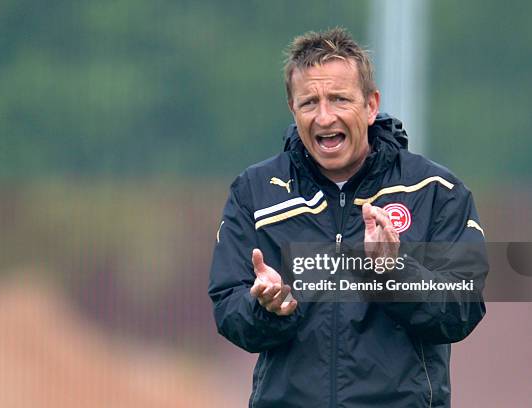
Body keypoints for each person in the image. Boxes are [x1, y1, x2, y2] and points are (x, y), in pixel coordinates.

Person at [208, 27, 487, 407]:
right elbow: (228, 309)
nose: (324, 117)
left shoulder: (435, 191)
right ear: (293, 108)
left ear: (371, 106)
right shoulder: (255, 192)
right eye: (309, 102)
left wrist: (391, 272)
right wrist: (268, 308)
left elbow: (463, 309)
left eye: (339, 99)